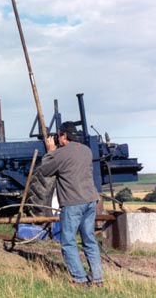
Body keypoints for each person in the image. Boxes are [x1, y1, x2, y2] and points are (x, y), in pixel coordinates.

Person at [37, 121, 103, 287]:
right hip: (90, 200)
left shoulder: (60, 153)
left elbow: (45, 171)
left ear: (64, 136)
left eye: (58, 135)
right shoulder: (86, 151)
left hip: (73, 202)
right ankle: (97, 279)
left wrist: (50, 152)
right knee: (89, 239)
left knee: (68, 242)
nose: (57, 138)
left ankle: (80, 280)